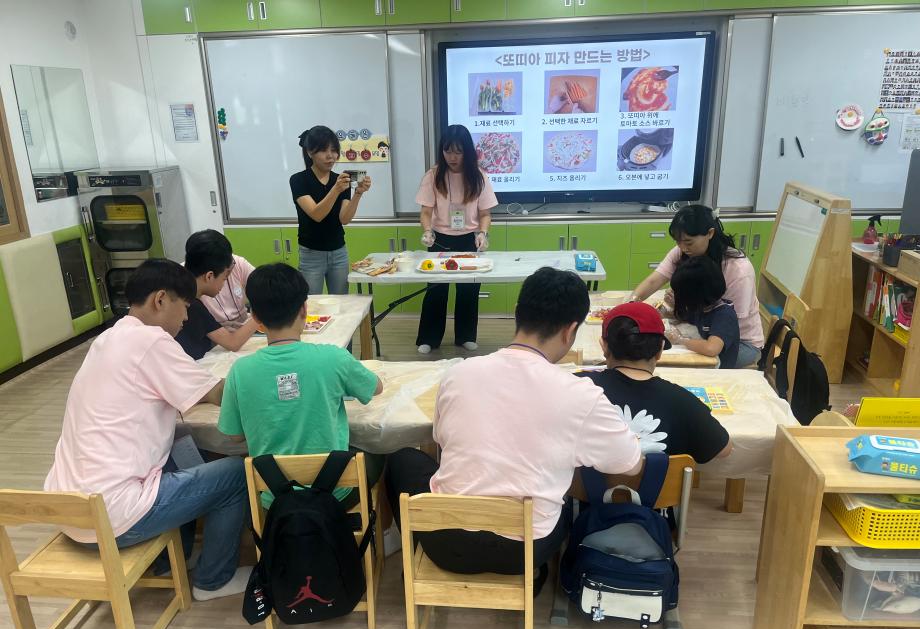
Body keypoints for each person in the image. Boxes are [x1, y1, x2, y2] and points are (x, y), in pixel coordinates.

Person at [387, 267, 644, 584]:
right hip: (526, 551)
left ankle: (414, 554)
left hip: (447, 543)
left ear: (516, 313)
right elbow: (630, 464)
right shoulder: (582, 395)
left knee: (402, 459)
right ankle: (536, 577)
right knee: (566, 491)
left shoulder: (459, 373)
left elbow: (441, 439)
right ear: (570, 331)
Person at [44, 259, 249, 601]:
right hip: (112, 519)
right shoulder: (151, 341)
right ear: (160, 300)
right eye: (185, 306)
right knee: (236, 473)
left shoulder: (107, 338)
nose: (186, 318)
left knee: (182, 446)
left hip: (70, 510)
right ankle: (213, 580)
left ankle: (172, 559)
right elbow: (217, 393)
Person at [217, 263, 384, 503]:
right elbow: (375, 387)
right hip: (334, 495)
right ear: (304, 310)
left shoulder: (240, 371)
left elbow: (234, 436)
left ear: (256, 319)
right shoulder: (333, 358)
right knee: (381, 453)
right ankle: (377, 525)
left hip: (275, 499)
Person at [577, 302, 732, 465]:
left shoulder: (576, 386)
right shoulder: (682, 401)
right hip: (658, 483)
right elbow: (724, 449)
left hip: (581, 482)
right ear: (660, 350)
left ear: (604, 346)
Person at [628, 205, 763, 367]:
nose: (683, 248)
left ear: (710, 233)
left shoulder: (738, 271)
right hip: (705, 329)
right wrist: (631, 305)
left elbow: (723, 330)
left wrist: (682, 323)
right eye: (678, 242)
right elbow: (653, 281)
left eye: (688, 242)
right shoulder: (684, 251)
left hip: (738, 342)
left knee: (670, 358)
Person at [415, 124, 498, 355]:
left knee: (468, 291)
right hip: (440, 240)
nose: (452, 157)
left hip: (469, 240)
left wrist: (483, 234)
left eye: (458, 152)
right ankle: (429, 338)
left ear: (467, 152)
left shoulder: (478, 176)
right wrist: (427, 231)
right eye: (448, 151)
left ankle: (466, 336)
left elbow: (485, 214)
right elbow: (425, 211)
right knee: (436, 291)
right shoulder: (433, 176)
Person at [291, 125, 372, 296]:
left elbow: (344, 219)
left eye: (334, 150)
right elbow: (316, 214)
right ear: (310, 152)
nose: (331, 156)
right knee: (312, 305)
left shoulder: (340, 180)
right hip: (311, 254)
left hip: (339, 252)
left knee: (341, 303)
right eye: (323, 150)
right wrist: (335, 189)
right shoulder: (299, 180)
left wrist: (358, 194)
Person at [175, 231, 259, 360]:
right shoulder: (192, 304)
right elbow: (232, 343)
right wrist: (262, 314)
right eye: (224, 278)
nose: (224, 283)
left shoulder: (187, 288)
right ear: (209, 276)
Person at [668, 256, 741, 369]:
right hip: (705, 363)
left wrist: (680, 339)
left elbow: (711, 348)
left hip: (718, 370)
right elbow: (686, 317)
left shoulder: (724, 315)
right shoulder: (703, 306)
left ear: (696, 295)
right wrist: (667, 312)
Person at [195, 229, 256, 330]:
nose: (232, 266)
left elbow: (262, 286)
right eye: (224, 277)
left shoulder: (237, 262)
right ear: (209, 276)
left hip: (242, 325)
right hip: (214, 332)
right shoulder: (188, 280)